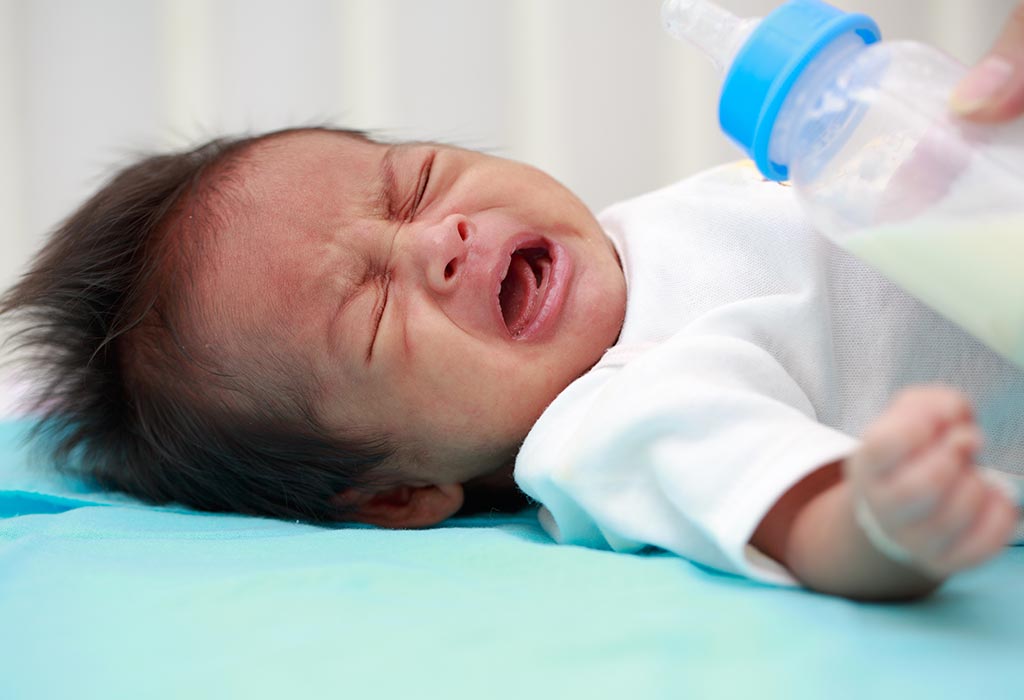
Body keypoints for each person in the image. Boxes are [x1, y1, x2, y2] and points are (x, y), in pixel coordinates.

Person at [3, 8, 1023, 603]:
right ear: (396, 495)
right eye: (368, 310)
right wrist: (885, 519)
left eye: (414, 183)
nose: (435, 242)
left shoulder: (646, 226)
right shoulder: (609, 420)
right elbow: (803, 518)